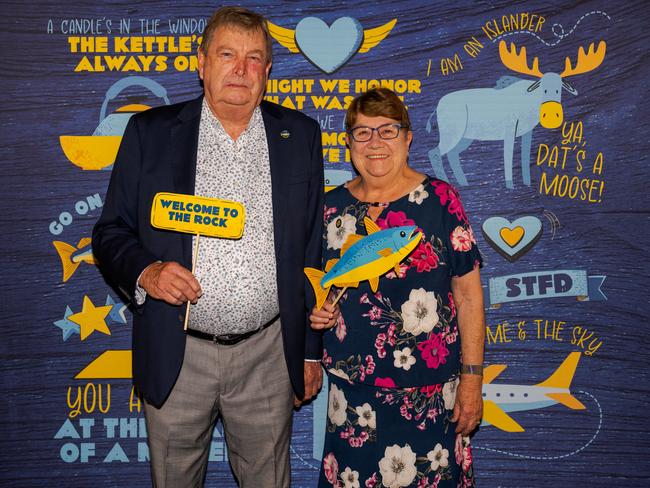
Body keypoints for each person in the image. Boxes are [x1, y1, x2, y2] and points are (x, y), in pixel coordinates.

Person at [92, 7, 324, 487]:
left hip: (268, 351)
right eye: (227, 54)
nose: (241, 69)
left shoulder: (300, 136)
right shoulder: (150, 133)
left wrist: (309, 351)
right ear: (201, 63)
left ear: (267, 71)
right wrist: (148, 273)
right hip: (180, 351)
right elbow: (111, 232)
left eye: (254, 57)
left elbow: (311, 251)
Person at [310, 88, 485, 487]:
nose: (375, 143)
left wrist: (472, 381)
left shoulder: (441, 201)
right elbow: (319, 291)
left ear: (408, 138)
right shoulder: (329, 208)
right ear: (348, 143)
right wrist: (318, 312)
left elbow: (470, 296)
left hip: (430, 393)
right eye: (362, 132)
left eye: (387, 131)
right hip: (353, 396)